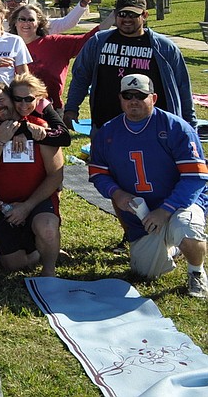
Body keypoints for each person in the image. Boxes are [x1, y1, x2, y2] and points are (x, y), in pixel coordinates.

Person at [89, 75, 208, 297]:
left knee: (187, 229)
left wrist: (165, 210)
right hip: (142, 214)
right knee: (145, 272)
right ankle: (170, 247)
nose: (133, 101)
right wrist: (117, 193)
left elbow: (195, 177)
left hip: (180, 203)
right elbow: (98, 173)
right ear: (120, 98)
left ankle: (196, 272)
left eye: (140, 96)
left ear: (153, 97)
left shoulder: (176, 128)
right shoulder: (108, 132)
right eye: (128, 95)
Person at [65, 0, 194, 134]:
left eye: (133, 15)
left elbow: (183, 87)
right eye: (122, 14)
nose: (127, 19)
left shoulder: (164, 47)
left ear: (144, 15)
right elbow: (80, 78)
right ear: (115, 15)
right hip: (106, 126)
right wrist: (71, 108)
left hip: (156, 129)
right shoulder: (98, 42)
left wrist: (189, 126)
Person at [0, 81, 64, 277]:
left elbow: (56, 174)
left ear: (11, 99)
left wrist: (27, 206)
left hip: (38, 201)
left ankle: (50, 271)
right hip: (4, 205)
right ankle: (38, 250)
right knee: (13, 264)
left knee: (46, 229)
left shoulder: (39, 126)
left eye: (1, 99)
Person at [7, 3, 101, 111]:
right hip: (15, 109)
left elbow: (88, 40)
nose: (26, 23)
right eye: (22, 19)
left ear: (39, 23)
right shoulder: (6, 46)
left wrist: (114, 16)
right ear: (15, 22)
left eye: (31, 19)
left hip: (51, 108)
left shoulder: (55, 43)